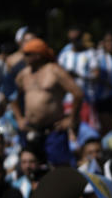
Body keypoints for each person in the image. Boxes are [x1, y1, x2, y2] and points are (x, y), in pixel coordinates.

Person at [13, 38, 83, 166]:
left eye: (28, 54)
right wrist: (19, 118)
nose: (25, 57)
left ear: (38, 55)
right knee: (32, 167)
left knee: (57, 169)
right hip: (31, 130)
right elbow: (12, 96)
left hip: (53, 131)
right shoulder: (24, 74)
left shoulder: (54, 71)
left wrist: (71, 119)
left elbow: (78, 94)